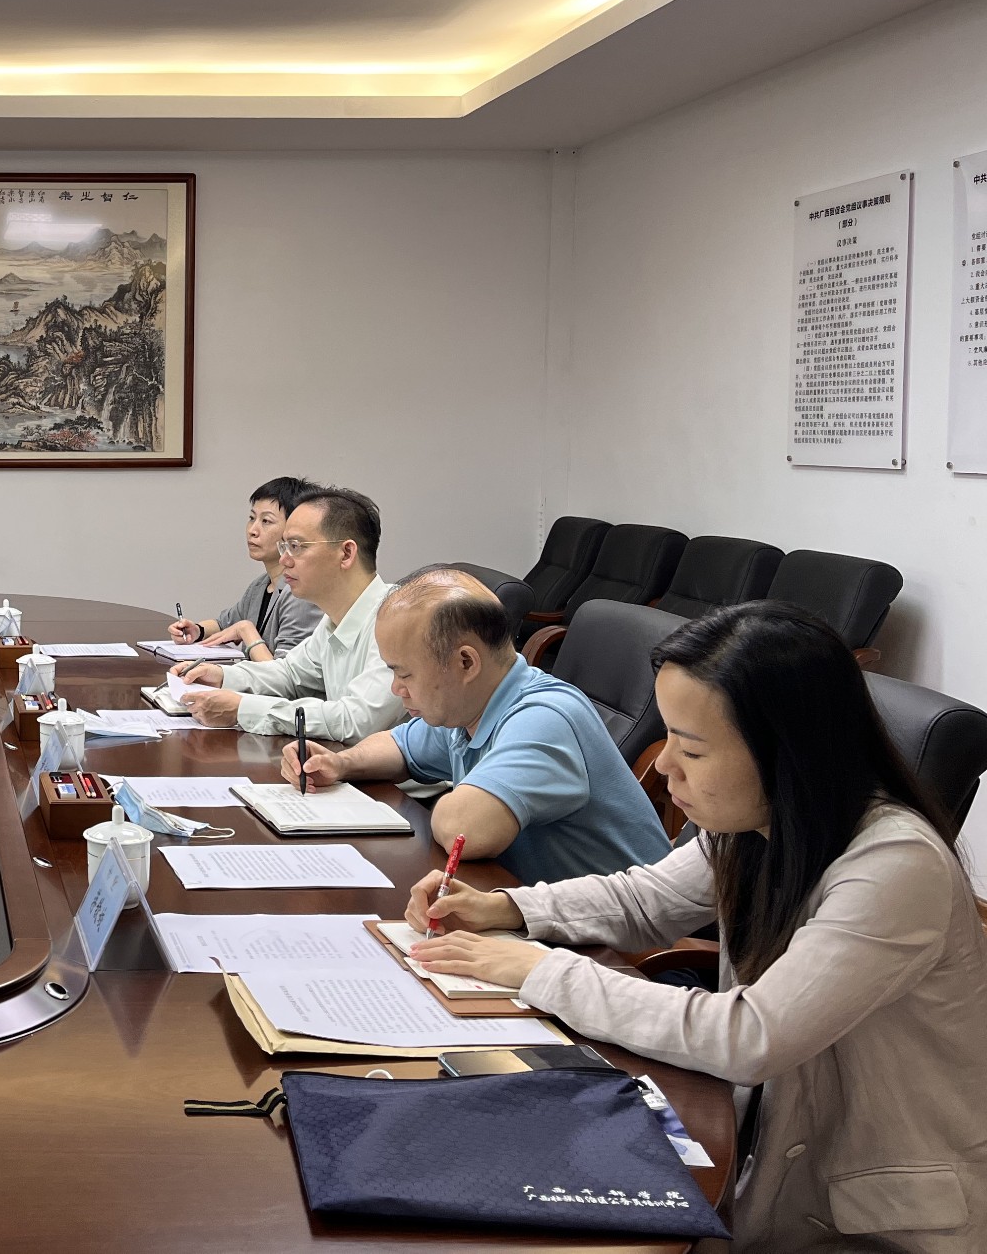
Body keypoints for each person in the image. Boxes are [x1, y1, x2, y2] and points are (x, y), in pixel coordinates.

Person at [406, 602, 987, 1251]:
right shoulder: (759, 820)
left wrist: (541, 970)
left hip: (881, 1225)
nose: (662, 766)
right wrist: (508, 909)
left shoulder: (897, 865)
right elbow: (647, 899)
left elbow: (752, 1035)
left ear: (786, 749)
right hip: (764, 1157)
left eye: (692, 747)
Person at [280, 567, 669, 884]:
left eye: (405, 673)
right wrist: (340, 763)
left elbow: (463, 832)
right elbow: (400, 747)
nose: (396, 688)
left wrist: (443, 803)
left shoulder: (544, 720)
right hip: (537, 912)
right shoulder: (468, 704)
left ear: (466, 662)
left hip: (625, 946)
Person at [174, 487, 403, 741]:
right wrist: (221, 676)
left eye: (295, 546)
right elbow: (290, 674)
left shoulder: (399, 620)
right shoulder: (333, 620)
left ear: (346, 553)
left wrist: (242, 709)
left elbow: (357, 720)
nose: (284, 560)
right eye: (284, 546)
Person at [166, 477, 324, 662]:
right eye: (251, 518)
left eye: (266, 521)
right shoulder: (261, 585)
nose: (252, 530)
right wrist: (197, 630)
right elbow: (225, 622)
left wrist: (246, 631)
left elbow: (285, 674)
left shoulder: (300, 594)